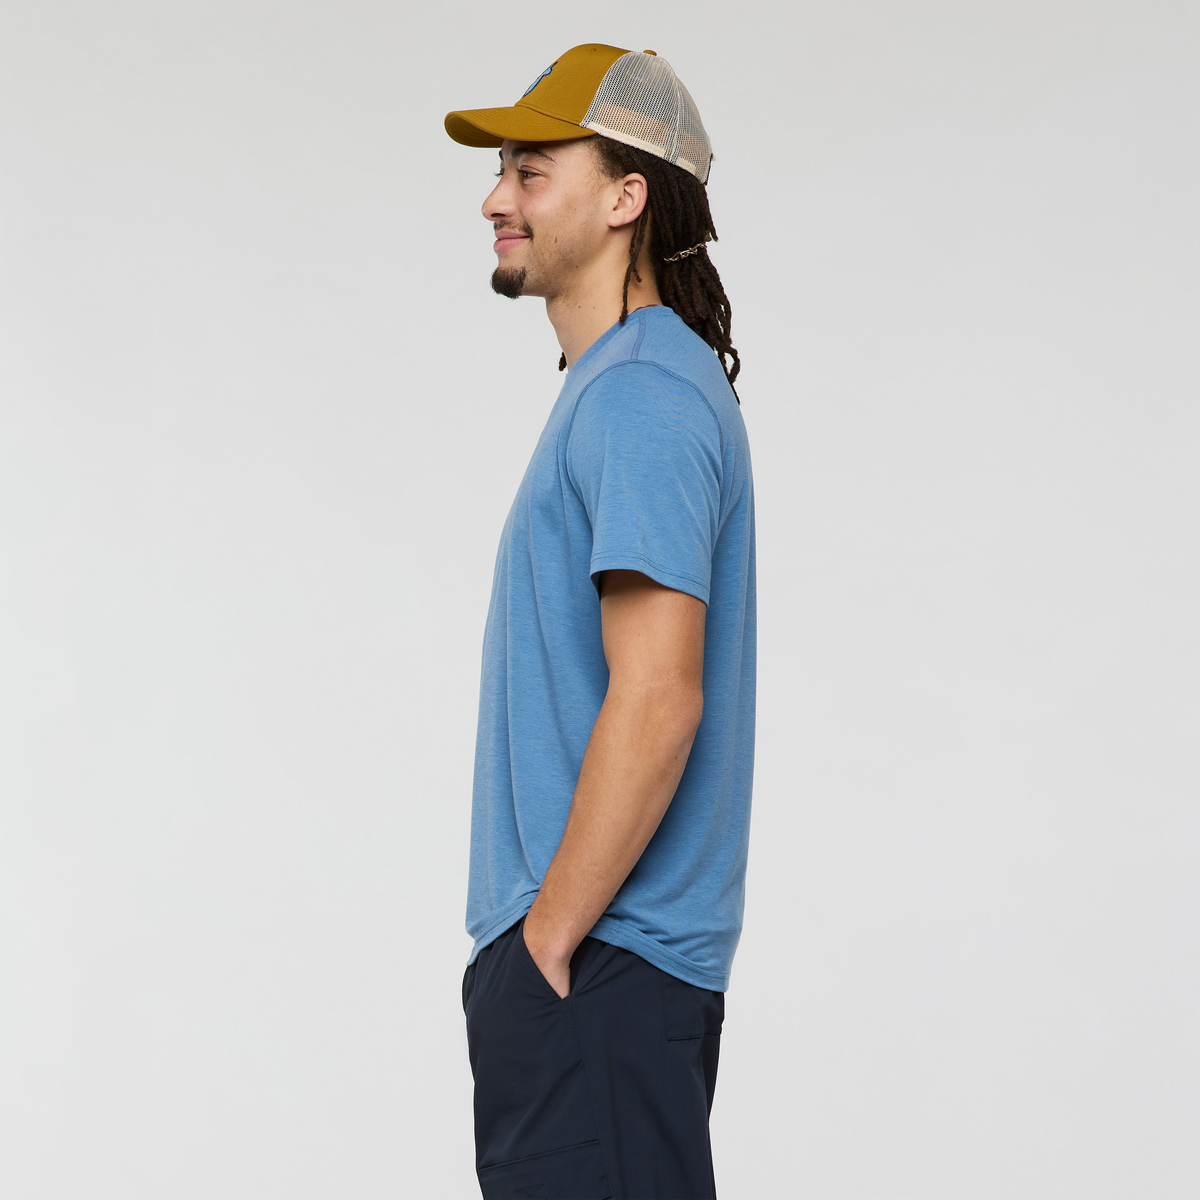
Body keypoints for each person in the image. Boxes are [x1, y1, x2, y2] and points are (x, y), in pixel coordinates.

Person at [445, 43, 756, 1200]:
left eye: (531, 171)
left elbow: (661, 694)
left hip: (598, 968)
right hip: (597, 972)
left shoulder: (639, 395)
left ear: (627, 197)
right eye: (501, 172)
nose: (496, 199)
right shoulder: (621, 387)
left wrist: (545, 944)